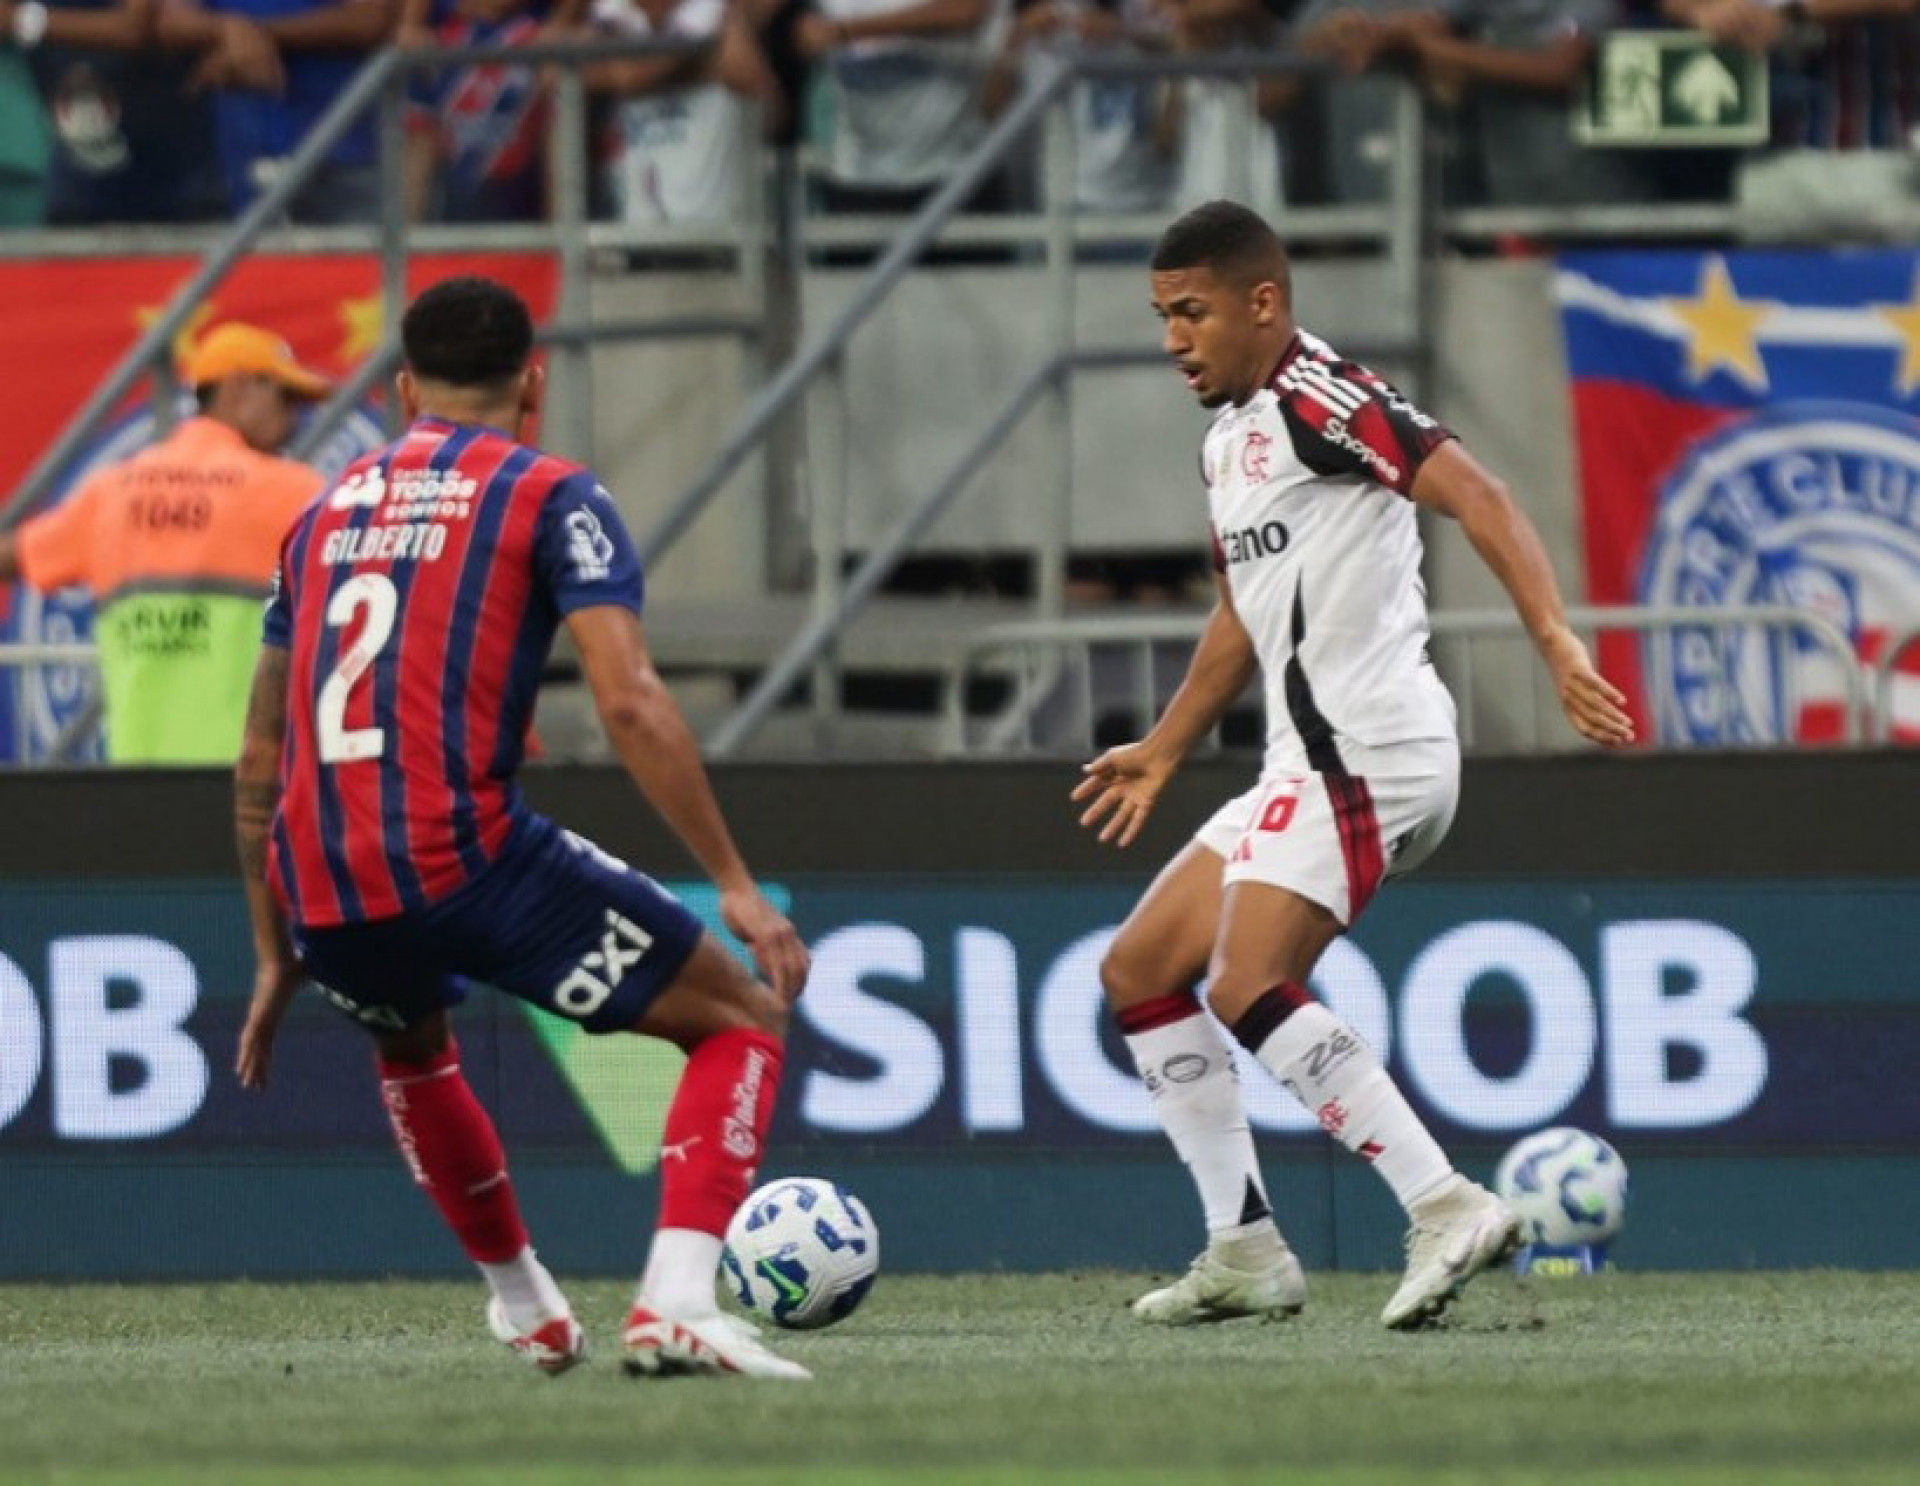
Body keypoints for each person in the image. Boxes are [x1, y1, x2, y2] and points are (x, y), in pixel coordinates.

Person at [230, 276, 814, 1381]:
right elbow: (630, 699)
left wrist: (273, 947)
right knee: (740, 1014)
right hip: (461, 855)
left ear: (405, 391)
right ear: (532, 384)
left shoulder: (315, 518)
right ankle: (678, 1302)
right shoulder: (552, 494)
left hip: (320, 879)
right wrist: (732, 881)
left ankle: (529, 1306)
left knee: (412, 1048)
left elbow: (259, 753)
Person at [1071, 200, 1634, 1330]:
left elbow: (1482, 493)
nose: (1174, 337)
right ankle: (1244, 1249)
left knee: (1241, 980)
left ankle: (1444, 1203)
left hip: (1371, 751)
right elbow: (1244, 610)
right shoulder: (1229, 438)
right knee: (1140, 969)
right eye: (1162, 315)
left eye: (1193, 312)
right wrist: (1167, 747)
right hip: (1304, 761)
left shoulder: (1321, 398)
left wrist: (1559, 642)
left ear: (1263, 303)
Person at [0, 322, 328, 763]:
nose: (294, 420)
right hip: (249, 779)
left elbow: (13, 556)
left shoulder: (112, 491)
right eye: (286, 398)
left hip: (139, 780)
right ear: (240, 387)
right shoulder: (292, 491)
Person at [155, 0, 399, 223]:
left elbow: (368, 20)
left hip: (342, 157)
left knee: (358, 268)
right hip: (231, 156)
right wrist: (229, 29)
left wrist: (253, 35)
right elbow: (170, 23)